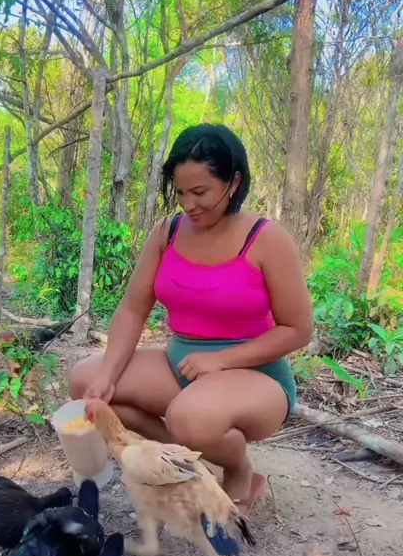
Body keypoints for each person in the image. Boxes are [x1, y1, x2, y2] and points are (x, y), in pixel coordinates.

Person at [69, 124, 313, 514]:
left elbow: (298, 330)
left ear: (233, 183)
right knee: (87, 381)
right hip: (181, 366)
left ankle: (239, 470)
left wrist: (222, 360)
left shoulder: (267, 239)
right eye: (181, 193)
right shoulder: (166, 233)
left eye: (200, 192)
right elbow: (133, 309)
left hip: (257, 376)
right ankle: (190, 463)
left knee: (190, 417)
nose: (189, 204)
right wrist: (109, 374)